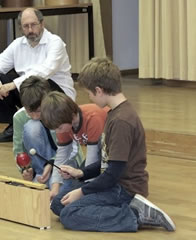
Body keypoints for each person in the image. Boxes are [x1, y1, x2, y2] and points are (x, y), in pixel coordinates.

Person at [45, 57, 176, 232]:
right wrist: (82, 172)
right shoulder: (114, 114)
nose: (90, 98)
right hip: (113, 183)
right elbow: (110, 162)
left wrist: (82, 192)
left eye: (89, 93)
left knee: (69, 214)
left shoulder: (122, 121)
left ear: (99, 90)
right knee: (59, 205)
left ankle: (136, 215)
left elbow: (113, 173)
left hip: (125, 189)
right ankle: (118, 210)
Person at [0, 7, 76, 143]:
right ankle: (13, 126)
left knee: (39, 83)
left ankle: (48, 125)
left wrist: (13, 85)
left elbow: (44, 71)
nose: (30, 30)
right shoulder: (17, 44)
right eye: (25, 26)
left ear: (42, 24)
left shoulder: (55, 42)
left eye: (33, 25)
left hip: (56, 94)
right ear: (21, 28)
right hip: (30, 92)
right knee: (2, 79)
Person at [13, 76, 83, 194]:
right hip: (41, 168)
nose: (35, 116)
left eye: (39, 111)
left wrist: (51, 163)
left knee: (60, 193)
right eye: (30, 111)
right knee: (32, 126)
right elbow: (18, 150)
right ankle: (42, 178)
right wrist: (25, 170)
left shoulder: (59, 112)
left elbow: (68, 150)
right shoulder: (19, 118)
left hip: (66, 163)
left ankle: (49, 182)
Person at [40, 91, 108, 199]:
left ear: (71, 116)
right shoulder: (64, 124)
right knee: (59, 203)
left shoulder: (93, 118)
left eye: (60, 128)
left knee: (77, 199)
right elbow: (61, 156)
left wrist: (84, 191)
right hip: (97, 160)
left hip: (111, 158)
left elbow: (93, 158)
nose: (59, 131)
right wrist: (55, 187)